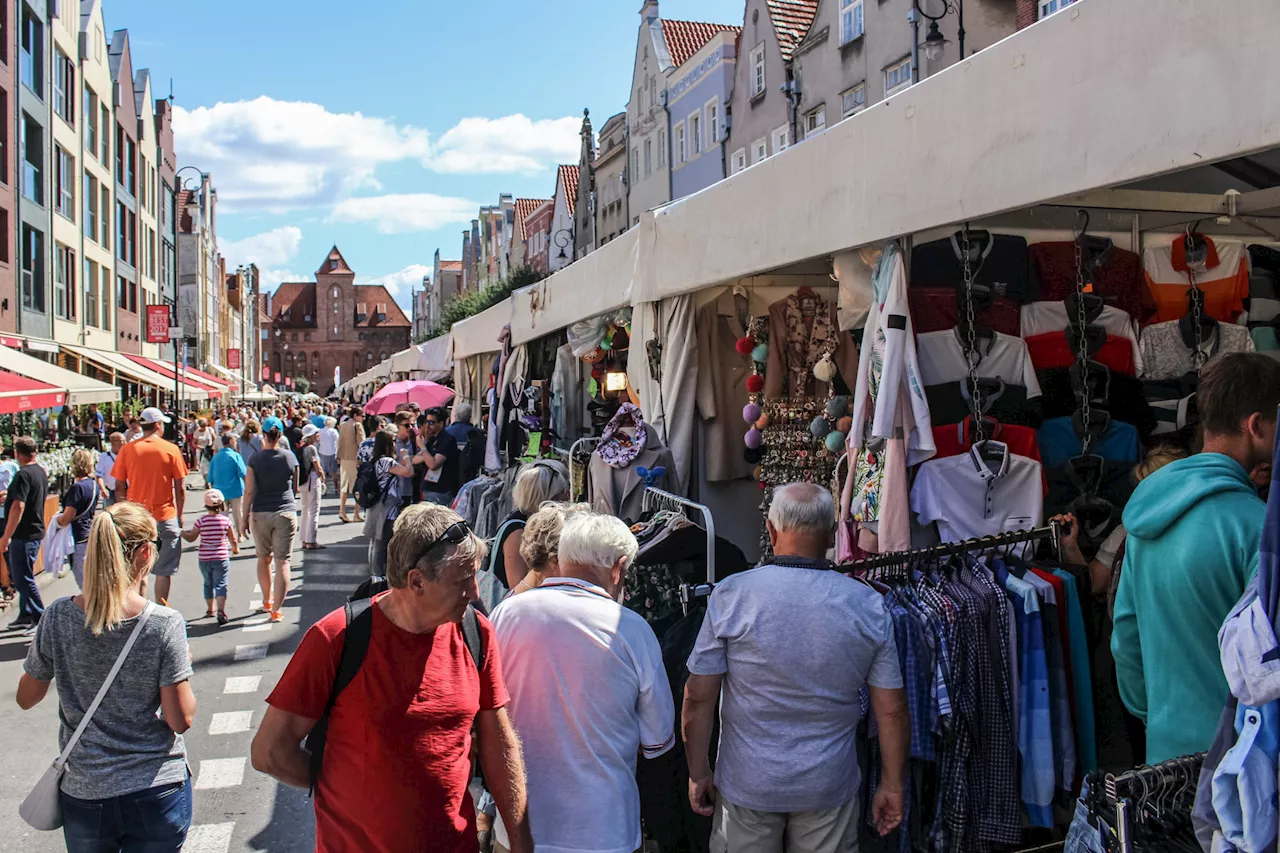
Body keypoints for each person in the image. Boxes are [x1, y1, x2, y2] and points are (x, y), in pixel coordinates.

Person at [251, 503, 533, 853]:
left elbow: (499, 745)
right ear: (416, 581)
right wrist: (341, 787)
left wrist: (522, 842)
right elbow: (269, 752)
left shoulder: (477, 634)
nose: (475, 592)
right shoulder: (337, 638)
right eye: (463, 579)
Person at [684, 482, 909, 852]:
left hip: (748, 784)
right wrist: (892, 785)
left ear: (770, 531)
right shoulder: (867, 604)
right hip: (827, 786)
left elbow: (697, 699)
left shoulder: (731, 595)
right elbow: (892, 709)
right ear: (833, 533)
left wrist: (698, 773)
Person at [1112, 353, 1280, 762]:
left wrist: (1160, 719)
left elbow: (1125, 641)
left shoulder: (1147, 512)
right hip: (1243, 763)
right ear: (1255, 426)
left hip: (1166, 756)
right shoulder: (1258, 527)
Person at [17, 501, 196, 853]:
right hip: (155, 787)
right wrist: (182, 667)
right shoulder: (164, 624)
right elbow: (180, 719)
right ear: (146, 552)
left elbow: (27, 697)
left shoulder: (57, 617)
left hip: (86, 791)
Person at [489, 511, 673, 853]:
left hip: (519, 829)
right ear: (618, 568)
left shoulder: (506, 614)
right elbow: (657, 740)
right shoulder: (631, 630)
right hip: (605, 830)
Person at [112, 408, 189, 608]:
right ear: (157, 425)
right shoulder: (170, 449)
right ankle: (161, 610)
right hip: (165, 515)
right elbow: (180, 488)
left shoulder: (127, 450)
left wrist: (123, 512)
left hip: (137, 517)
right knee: (163, 570)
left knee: (136, 567)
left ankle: (136, 610)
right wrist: (180, 516)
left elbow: (119, 486)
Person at [477, 462, 570, 610]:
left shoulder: (527, 523)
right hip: (513, 612)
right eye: (563, 492)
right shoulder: (518, 530)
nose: (568, 497)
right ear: (546, 497)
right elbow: (519, 588)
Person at [243, 417, 298, 623]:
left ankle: (267, 600)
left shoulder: (255, 459)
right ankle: (276, 610)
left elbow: (249, 491)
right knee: (283, 561)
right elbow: (295, 486)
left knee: (263, 558)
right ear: (281, 435)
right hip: (285, 510)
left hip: (261, 512)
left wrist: (243, 518)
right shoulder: (290, 457)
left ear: (263, 435)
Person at [1, 436, 49, 633]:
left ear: (17, 454)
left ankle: (40, 617)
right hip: (35, 530)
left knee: (22, 578)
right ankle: (25, 614)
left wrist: (6, 536)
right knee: (24, 574)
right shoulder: (39, 471)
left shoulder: (23, 475)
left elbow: (18, 506)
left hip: (24, 533)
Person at [182, 488, 239, 625]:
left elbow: (191, 538)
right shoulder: (225, 521)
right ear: (221, 505)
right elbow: (233, 539)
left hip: (204, 558)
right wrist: (235, 549)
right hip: (221, 557)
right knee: (221, 583)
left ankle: (210, 609)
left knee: (208, 583)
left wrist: (181, 532)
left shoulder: (201, 521)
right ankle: (221, 610)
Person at [364, 430, 415, 577]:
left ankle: (375, 573)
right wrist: (406, 456)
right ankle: (378, 575)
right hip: (387, 506)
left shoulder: (375, 460)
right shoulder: (387, 461)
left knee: (374, 541)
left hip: (376, 503)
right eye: (392, 441)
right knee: (382, 542)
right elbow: (408, 472)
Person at [57, 448, 100, 589]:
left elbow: (66, 518)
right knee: (92, 582)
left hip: (77, 538)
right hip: (89, 535)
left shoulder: (77, 488)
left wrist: (55, 521)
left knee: (85, 585)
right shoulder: (93, 485)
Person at [415, 406, 460, 507]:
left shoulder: (447, 440)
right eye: (427, 422)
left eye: (431, 422)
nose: (427, 426)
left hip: (440, 490)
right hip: (427, 488)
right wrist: (427, 456)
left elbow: (433, 464)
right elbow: (414, 459)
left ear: (441, 423)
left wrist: (423, 448)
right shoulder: (431, 440)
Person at [208, 433, 248, 538]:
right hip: (235, 489)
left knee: (222, 514)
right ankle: (239, 534)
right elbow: (243, 473)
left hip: (220, 491)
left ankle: (224, 536)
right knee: (238, 513)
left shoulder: (215, 457)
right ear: (231, 442)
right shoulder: (235, 456)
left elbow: (210, 477)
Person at [298, 424, 326, 551]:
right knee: (314, 510)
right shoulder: (312, 449)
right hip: (312, 480)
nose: (318, 435)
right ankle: (311, 540)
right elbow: (317, 466)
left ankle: (304, 539)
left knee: (305, 510)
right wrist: (323, 477)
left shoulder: (301, 448)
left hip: (303, 481)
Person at [337, 407, 366, 524]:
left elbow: (339, 442)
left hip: (344, 457)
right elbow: (361, 443)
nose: (363, 418)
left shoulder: (343, 425)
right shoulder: (357, 426)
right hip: (355, 458)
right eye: (362, 415)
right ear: (355, 415)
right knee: (357, 486)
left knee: (344, 486)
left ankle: (342, 510)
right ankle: (356, 513)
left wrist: (338, 456)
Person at [95, 432, 124, 506]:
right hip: (110, 492)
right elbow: (99, 475)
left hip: (124, 491)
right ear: (112, 442)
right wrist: (103, 489)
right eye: (121, 441)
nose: (123, 443)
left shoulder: (127, 456)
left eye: (124, 440)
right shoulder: (104, 457)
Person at [318, 415, 340, 483]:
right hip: (333, 452)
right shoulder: (334, 431)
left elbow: (318, 441)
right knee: (334, 472)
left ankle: (322, 485)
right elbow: (338, 441)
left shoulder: (320, 431)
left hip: (322, 451)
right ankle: (336, 488)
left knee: (323, 471)